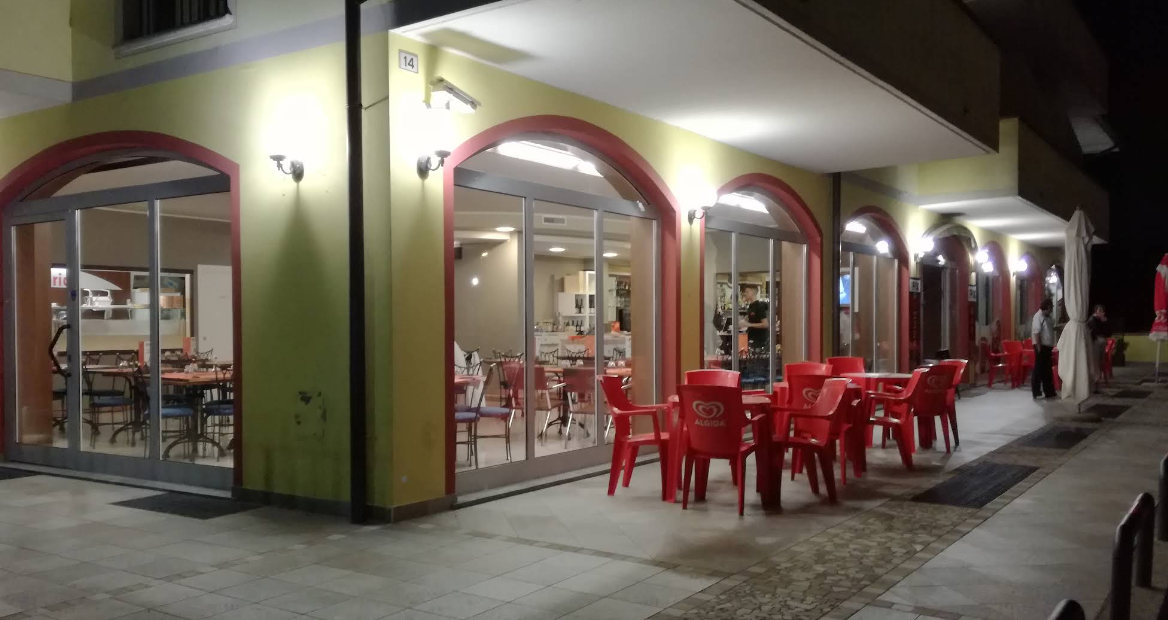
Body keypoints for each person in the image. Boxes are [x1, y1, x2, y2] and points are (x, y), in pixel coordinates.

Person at [1031, 298, 1057, 399]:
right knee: (1039, 369)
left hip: (1048, 347)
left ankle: (1049, 391)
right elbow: (1036, 332)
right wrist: (1038, 347)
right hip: (1041, 346)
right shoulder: (1038, 316)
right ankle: (1036, 391)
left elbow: (1049, 330)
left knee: (1047, 370)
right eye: (1051, 308)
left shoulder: (1048, 318)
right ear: (1048, 307)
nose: (1052, 310)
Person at [1087, 304, 1111, 391]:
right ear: (1096, 311)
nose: (1101, 312)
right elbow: (1096, 331)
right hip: (1096, 342)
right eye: (1099, 310)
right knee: (1095, 362)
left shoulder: (1101, 320)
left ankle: (1097, 381)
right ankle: (1095, 383)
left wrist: (1104, 322)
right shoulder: (1092, 320)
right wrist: (1103, 322)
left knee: (1100, 362)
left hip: (1101, 341)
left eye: (1102, 311)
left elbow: (1108, 332)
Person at [739, 284, 769, 349]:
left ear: (753, 293)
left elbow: (765, 324)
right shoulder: (750, 306)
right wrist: (742, 323)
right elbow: (749, 318)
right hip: (751, 338)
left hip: (760, 341)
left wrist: (750, 325)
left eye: (747, 292)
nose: (745, 294)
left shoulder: (760, 306)